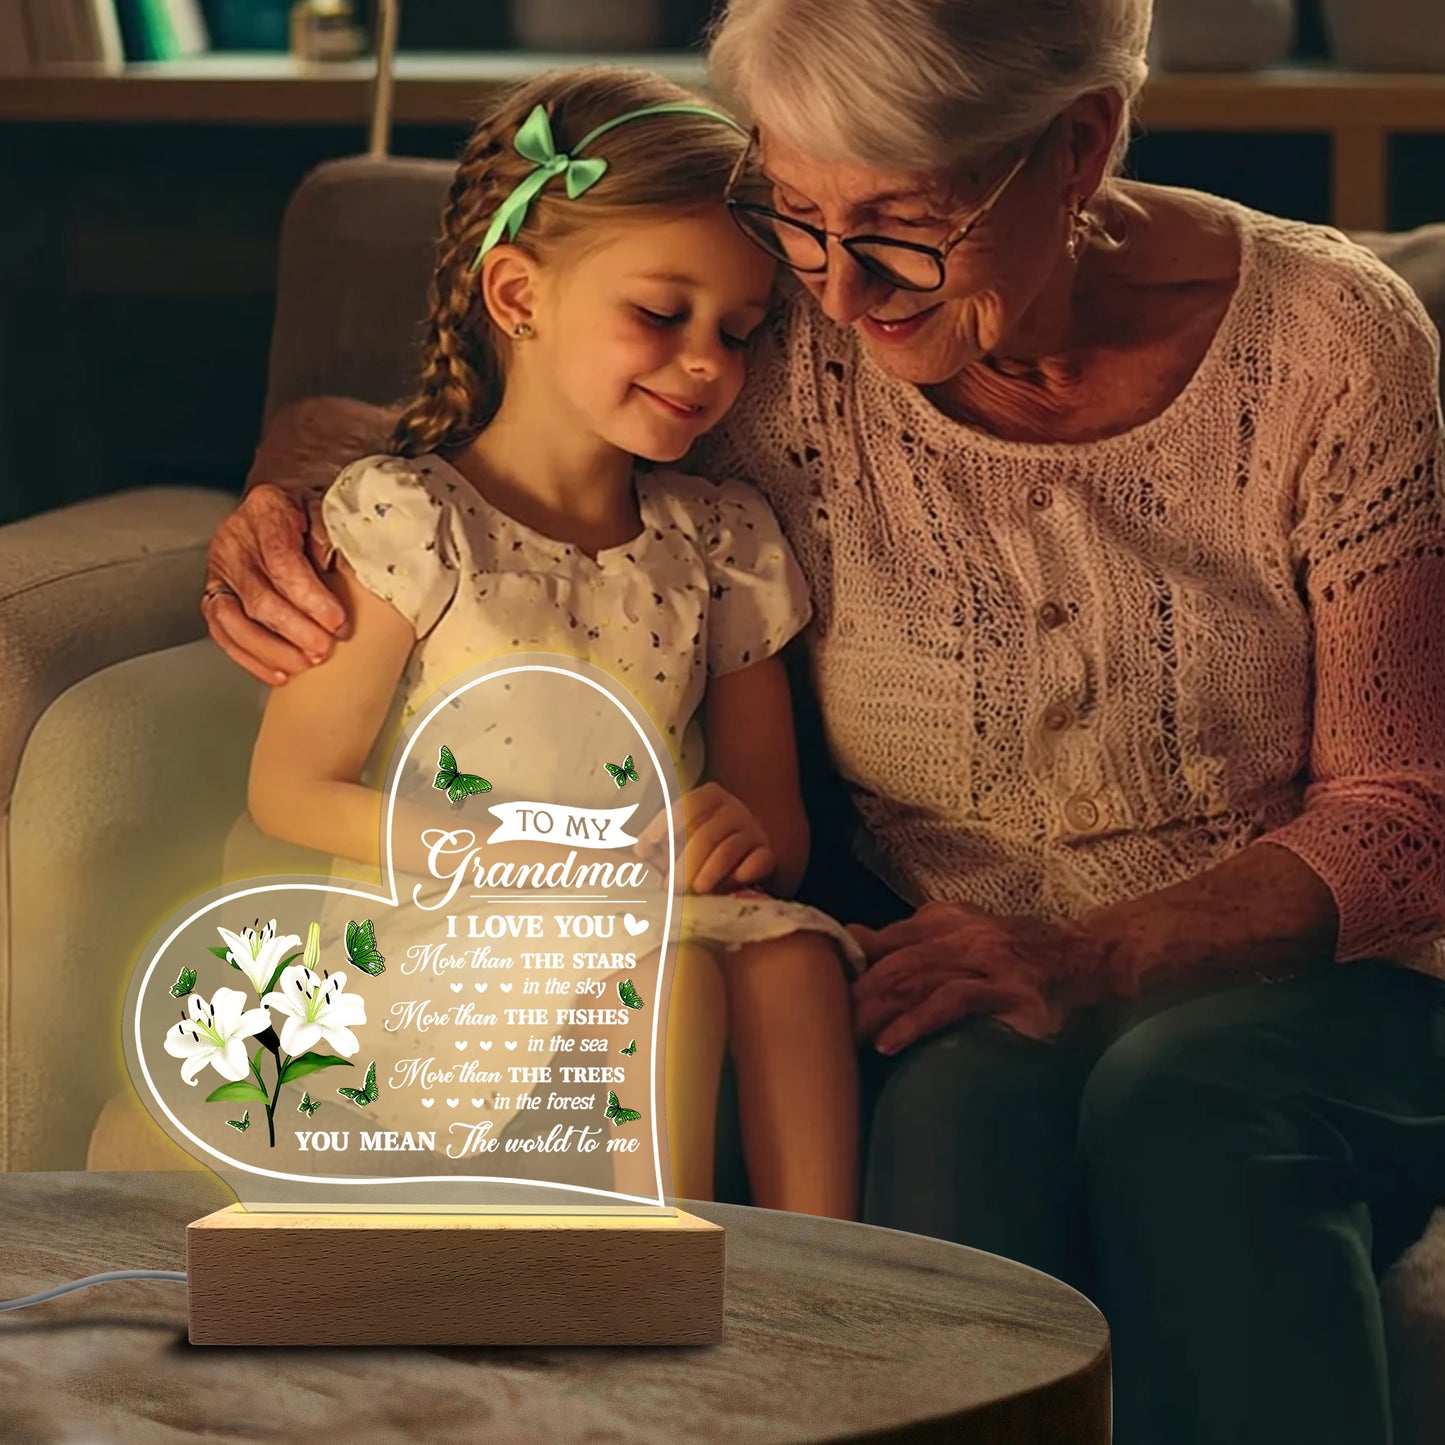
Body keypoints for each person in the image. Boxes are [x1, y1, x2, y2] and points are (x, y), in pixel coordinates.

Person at [203, 4, 1445, 1442]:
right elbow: (491, 409)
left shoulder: (1330, 343)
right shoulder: (781, 320)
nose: (839, 299)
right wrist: (285, 487)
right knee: (950, 1114)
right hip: (946, 969)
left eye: (904, 225)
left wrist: (1084, 953)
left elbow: (1405, 813)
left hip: (1312, 999)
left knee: (1186, 1097)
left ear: (1077, 147)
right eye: (798, 218)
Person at [240, 66, 864, 1220]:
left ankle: (826, 1292)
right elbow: (291, 787)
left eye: (739, 332)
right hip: (453, 927)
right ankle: (651, 1274)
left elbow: (773, 820)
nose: (707, 367)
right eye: (660, 314)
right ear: (518, 296)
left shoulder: (721, 539)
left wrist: (740, 831)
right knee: (667, 979)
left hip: (646, 899)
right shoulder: (411, 520)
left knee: (793, 958)